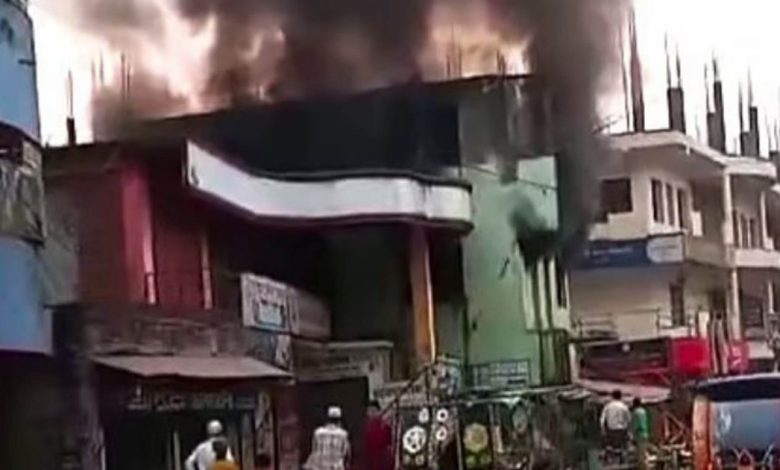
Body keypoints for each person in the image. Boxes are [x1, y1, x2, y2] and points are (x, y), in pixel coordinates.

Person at [304, 405, 351, 470]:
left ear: (327, 418)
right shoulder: (343, 434)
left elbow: (314, 450)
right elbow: (346, 453)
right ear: (339, 420)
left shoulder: (318, 432)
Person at [363, 400, 392, 470]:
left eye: (373, 411)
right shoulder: (367, 426)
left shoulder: (385, 426)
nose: (371, 414)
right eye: (369, 411)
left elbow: (389, 443)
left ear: (379, 412)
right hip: (371, 461)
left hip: (383, 462)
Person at [632, 398, 650, 469]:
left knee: (639, 454)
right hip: (645, 433)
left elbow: (635, 425)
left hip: (639, 434)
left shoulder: (635, 412)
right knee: (643, 451)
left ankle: (642, 467)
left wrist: (633, 435)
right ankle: (644, 465)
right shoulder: (643, 411)